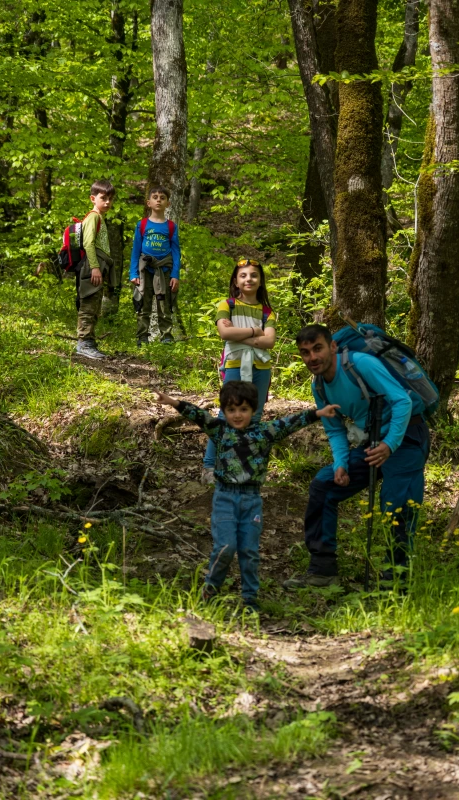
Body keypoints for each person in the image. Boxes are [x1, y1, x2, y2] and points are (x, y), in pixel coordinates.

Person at [155, 381, 339, 611]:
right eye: (231, 410)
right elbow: (199, 416)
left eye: (243, 409)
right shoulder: (220, 430)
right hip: (225, 498)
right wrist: (174, 402)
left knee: (249, 551)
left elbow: (290, 423)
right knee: (226, 547)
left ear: (253, 409)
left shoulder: (265, 433)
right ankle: (209, 591)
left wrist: (317, 413)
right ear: (224, 411)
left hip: (251, 500)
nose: (237, 415)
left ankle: (250, 600)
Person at [284, 324, 430, 589]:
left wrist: (390, 444)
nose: (312, 357)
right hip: (372, 442)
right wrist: (341, 464)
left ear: (333, 346)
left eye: (317, 348)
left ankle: (395, 580)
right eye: (305, 353)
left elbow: (402, 402)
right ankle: (323, 570)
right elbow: (334, 429)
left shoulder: (361, 364)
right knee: (324, 486)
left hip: (406, 436)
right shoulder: (319, 386)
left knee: (396, 504)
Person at [201, 258, 276, 484]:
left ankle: (243, 467)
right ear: (236, 280)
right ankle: (209, 467)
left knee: (254, 416)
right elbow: (225, 334)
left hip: (261, 368)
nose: (248, 279)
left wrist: (240, 335)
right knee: (227, 416)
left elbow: (270, 341)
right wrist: (255, 331)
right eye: (243, 275)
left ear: (261, 281)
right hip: (234, 365)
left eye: (253, 275)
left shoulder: (267, 311)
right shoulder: (227, 305)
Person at [129, 186, 181, 345]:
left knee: (164, 305)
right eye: (155, 197)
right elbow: (136, 250)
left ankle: (166, 337)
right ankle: (142, 338)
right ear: (148, 203)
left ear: (168, 204)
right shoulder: (142, 224)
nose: (159, 200)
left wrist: (175, 275)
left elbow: (176, 252)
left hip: (164, 271)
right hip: (145, 271)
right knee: (143, 304)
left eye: (162, 198)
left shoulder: (171, 226)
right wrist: (133, 274)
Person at [76, 180, 118, 359]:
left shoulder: (99, 217)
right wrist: (94, 267)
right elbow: (88, 243)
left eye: (110, 198)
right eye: (103, 198)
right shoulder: (93, 217)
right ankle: (83, 343)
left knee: (95, 305)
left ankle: (89, 342)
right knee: (88, 304)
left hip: (98, 265)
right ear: (93, 198)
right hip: (93, 266)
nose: (107, 202)